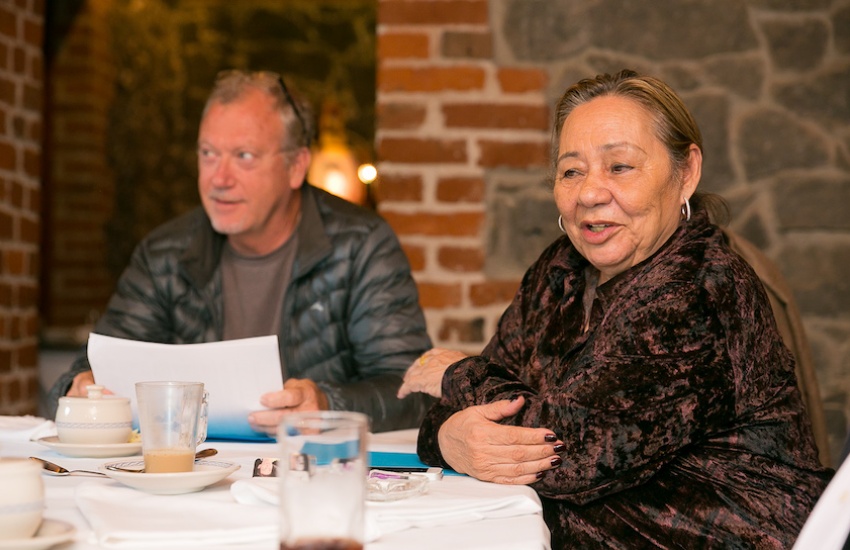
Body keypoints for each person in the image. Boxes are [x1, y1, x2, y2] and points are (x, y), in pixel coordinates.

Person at [399, 70, 831, 548]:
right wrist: (447, 439)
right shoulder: (561, 268)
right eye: (571, 170)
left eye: (620, 167)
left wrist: (454, 374)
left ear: (685, 172)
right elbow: (470, 408)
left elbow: (568, 454)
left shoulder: (699, 287)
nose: (588, 193)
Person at [47, 69, 433, 434]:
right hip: (193, 472)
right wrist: (78, 388)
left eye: (244, 156)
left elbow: (413, 389)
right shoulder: (165, 253)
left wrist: (326, 403)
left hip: (312, 471)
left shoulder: (362, 245)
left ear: (297, 166)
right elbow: (90, 373)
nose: (219, 178)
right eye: (208, 153)